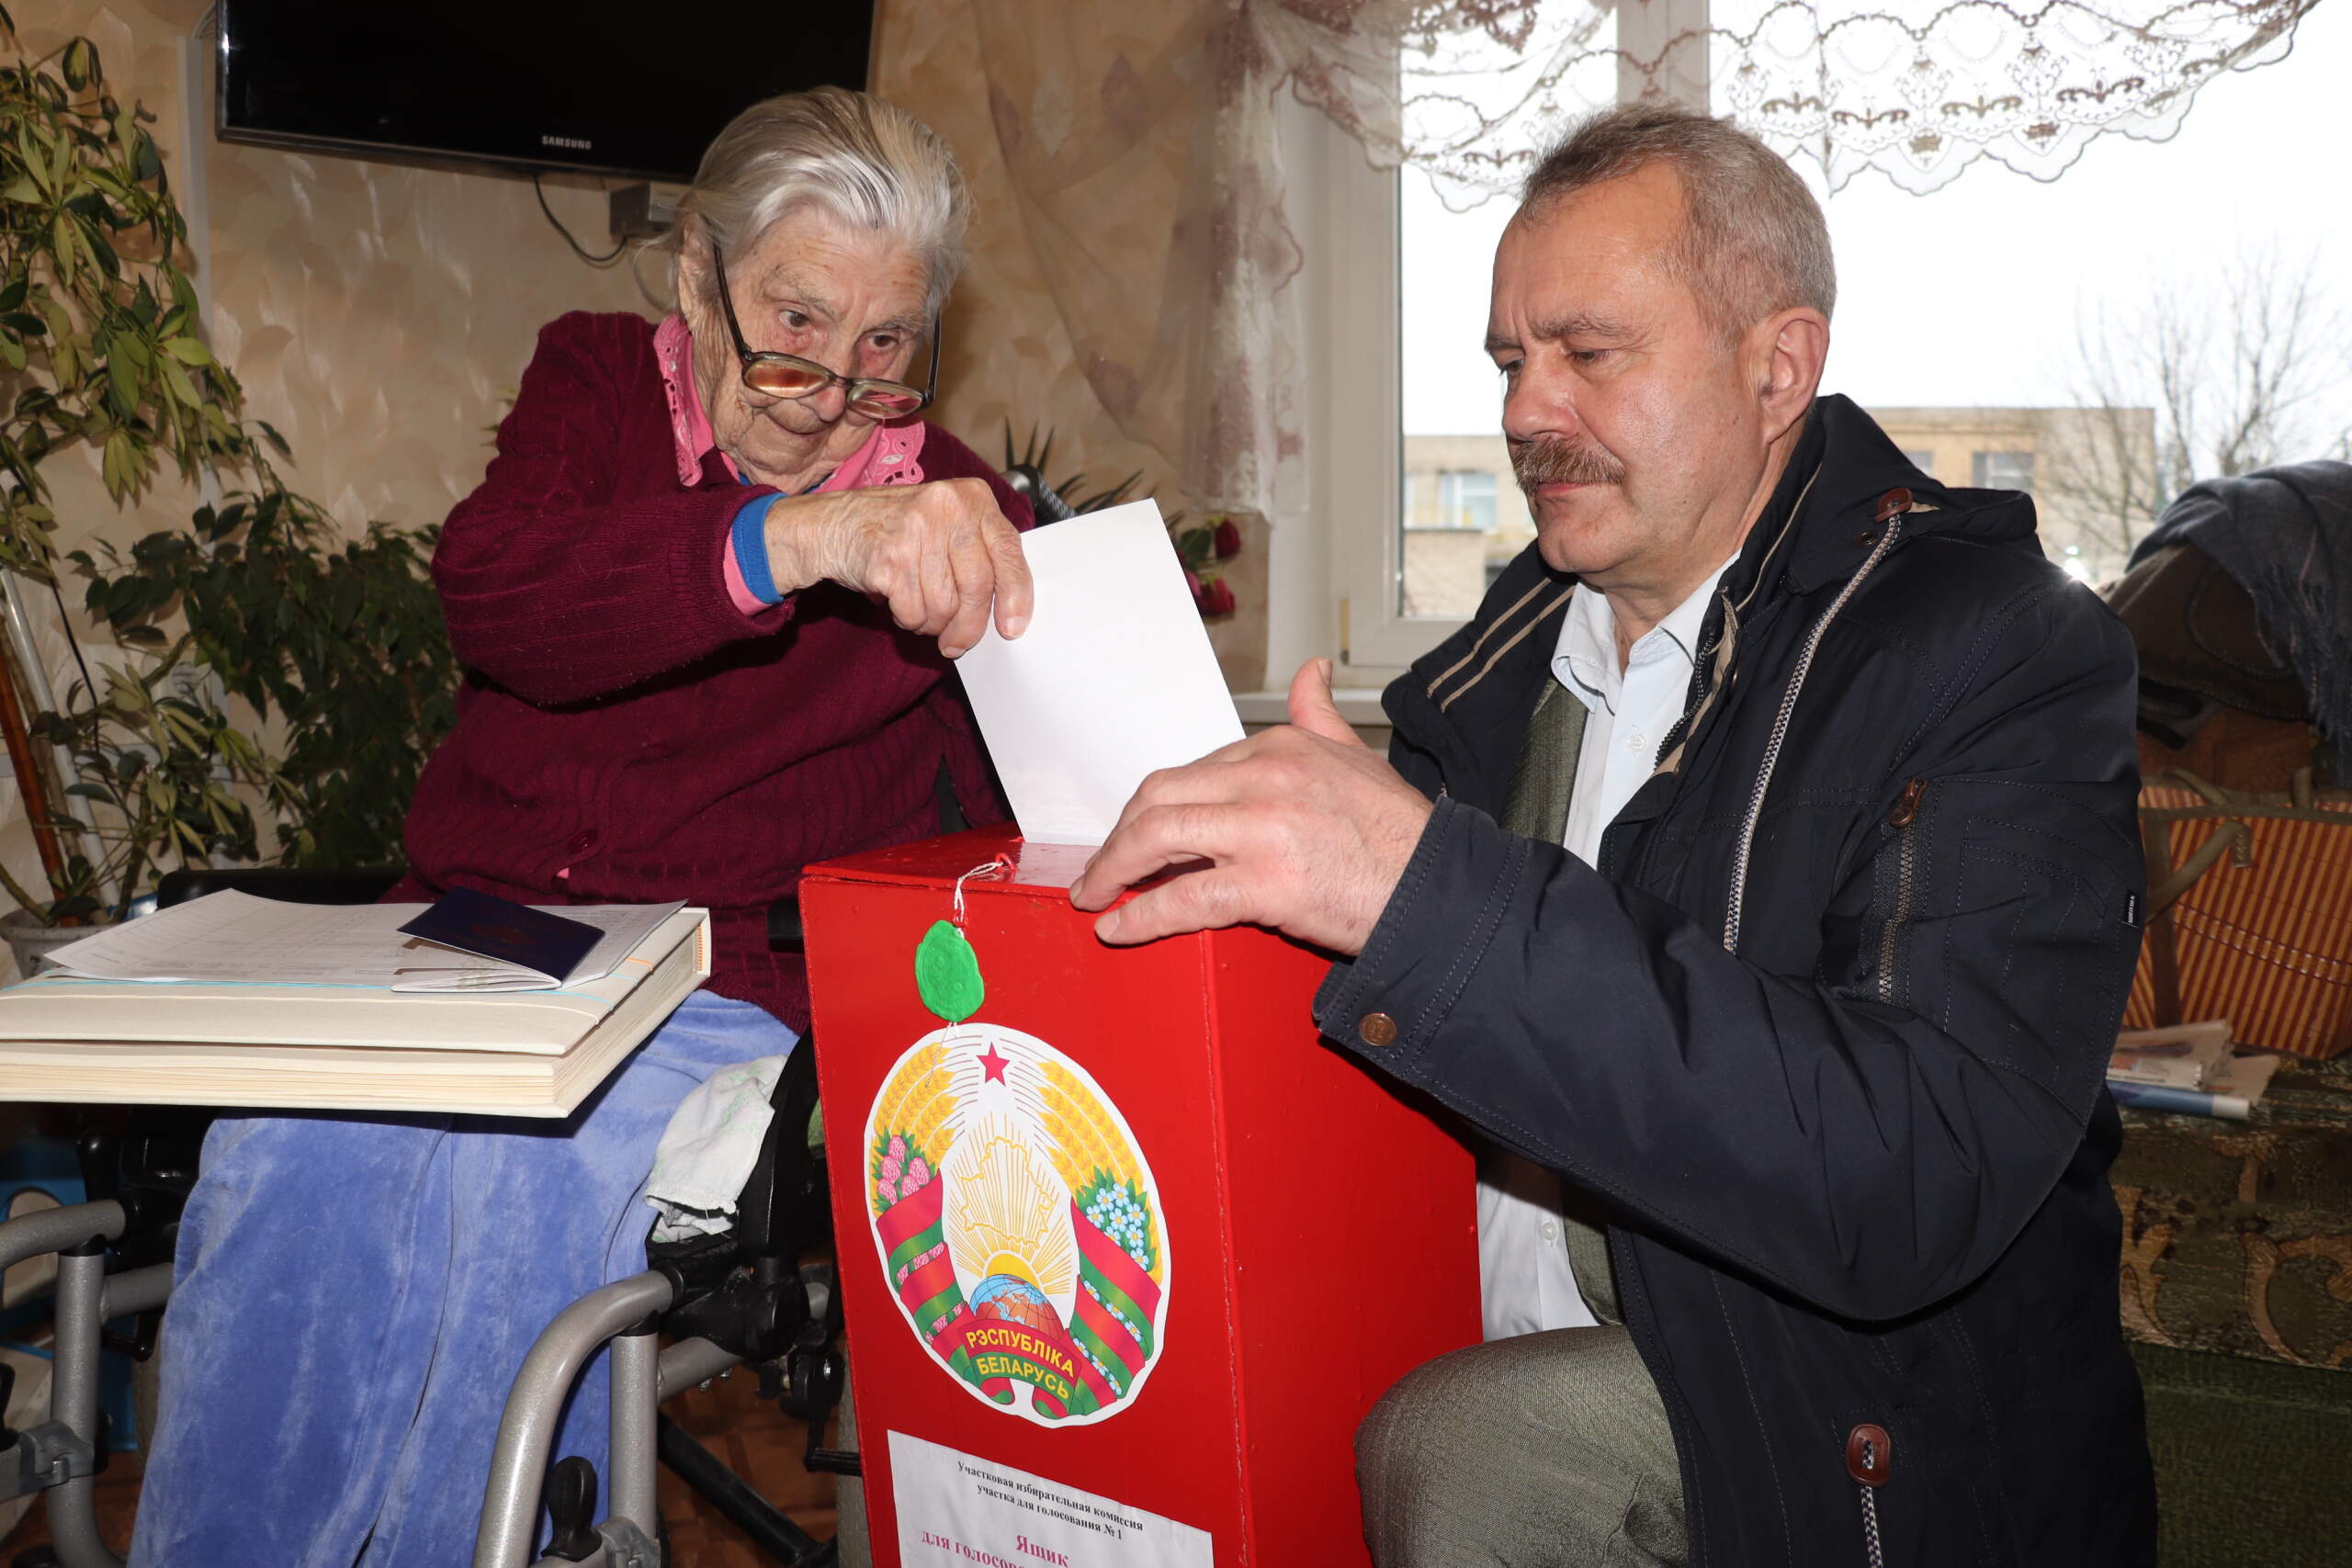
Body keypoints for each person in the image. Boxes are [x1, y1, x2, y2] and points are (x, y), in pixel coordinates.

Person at [1073, 106, 2157, 1566]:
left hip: (1844, 1410)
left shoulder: (2000, 649)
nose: (1528, 411)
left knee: (1468, 1452)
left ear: (1778, 368)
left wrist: (1423, 889)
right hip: (1455, 1316)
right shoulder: (1496, 664)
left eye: (1589, 353)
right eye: (1510, 362)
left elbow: (1912, 1169)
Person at [130, 88, 1030, 1568]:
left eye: (887, 344)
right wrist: (790, 540)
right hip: (477, 935)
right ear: (696, 276)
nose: (830, 391)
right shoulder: (598, 383)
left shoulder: (954, 513)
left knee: (529, 1184)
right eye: (793, 322)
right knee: (286, 1147)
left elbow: (1034, 800)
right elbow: (500, 593)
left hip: (725, 977)